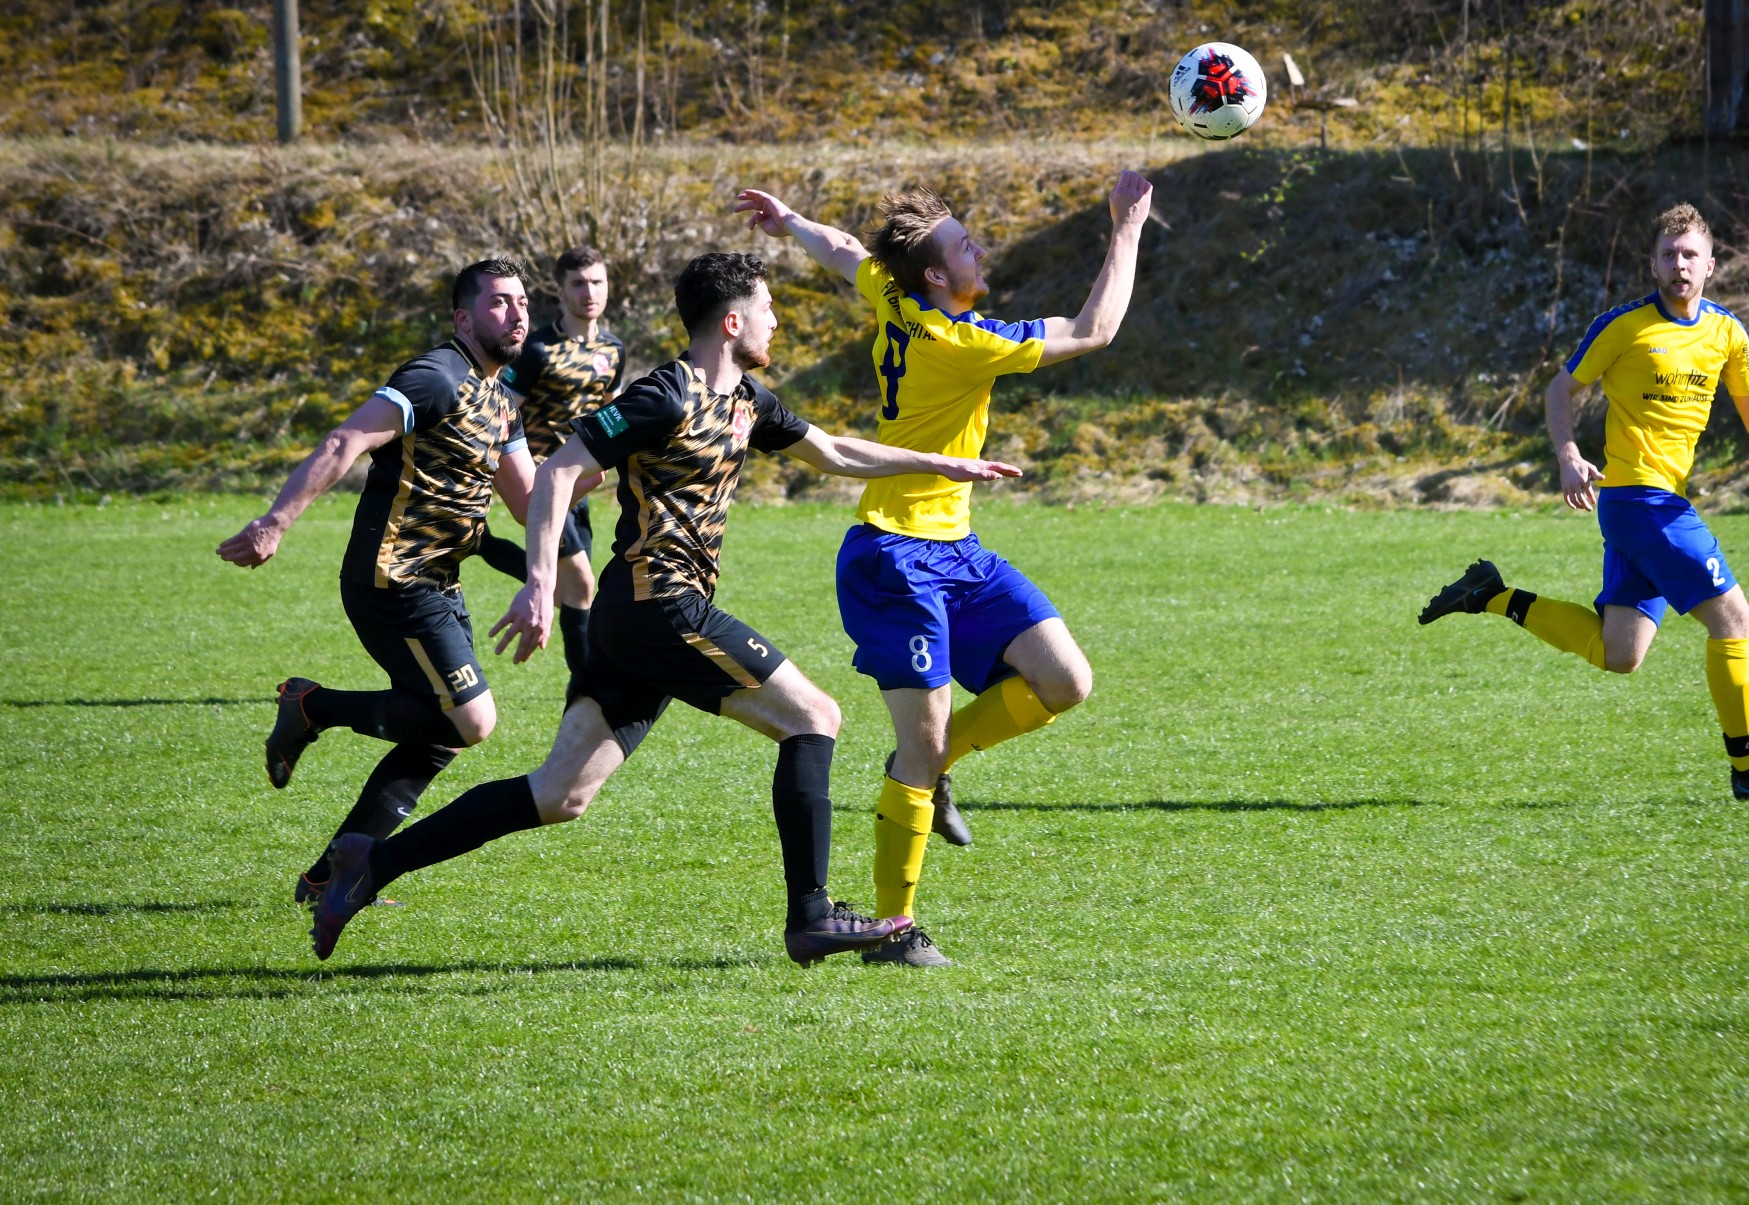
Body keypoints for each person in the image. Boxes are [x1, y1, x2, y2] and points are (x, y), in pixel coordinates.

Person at [309, 252, 1025, 968]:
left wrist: (944, 465)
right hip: (660, 603)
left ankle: (371, 864)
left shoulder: (748, 398)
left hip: (641, 617)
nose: (778, 320)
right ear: (733, 320)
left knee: (560, 794)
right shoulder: (663, 394)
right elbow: (560, 469)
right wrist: (537, 582)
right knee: (815, 717)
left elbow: (833, 450)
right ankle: (811, 916)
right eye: (769, 309)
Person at [732, 171, 1153, 965]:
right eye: (966, 243)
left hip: (958, 549)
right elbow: (1096, 328)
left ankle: (925, 763)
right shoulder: (963, 342)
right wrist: (1126, 225)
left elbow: (847, 250)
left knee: (1065, 680)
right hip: (893, 557)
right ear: (936, 274)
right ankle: (894, 932)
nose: (980, 247)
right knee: (921, 750)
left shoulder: (898, 297)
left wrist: (789, 220)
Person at [1418, 203, 1749, 802]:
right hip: (1642, 501)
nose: (1679, 265)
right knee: (1733, 618)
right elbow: (1563, 388)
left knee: (1620, 653)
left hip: (1656, 503)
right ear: (1653, 263)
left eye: (1690, 254)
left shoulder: (1727, 334)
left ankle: (1491, 594)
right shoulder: (1623, 326)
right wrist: (1567, 455)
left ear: (1710, 265)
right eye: (1668, 254)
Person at [218, 258, 535, 901]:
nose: (517, 312)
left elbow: (531, 501)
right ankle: (313, 706)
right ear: (463, 317)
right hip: (392, 579)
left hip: (440, 584)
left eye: (522, 301)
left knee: (439, 737)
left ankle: (330, 875)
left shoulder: (502, 402)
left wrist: (605, 466)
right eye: (500, 302)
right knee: (471, 720)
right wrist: (274, 522)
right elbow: (345, 442)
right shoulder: (433, 376)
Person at [476, 245, 626, 672]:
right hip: (543, 479)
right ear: (559, 292)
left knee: (568, 590)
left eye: (597, 281)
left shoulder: (613, 350)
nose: (588, 292)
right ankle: (586, 685)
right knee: (581, 583)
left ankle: (479, 544)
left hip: (584, 483)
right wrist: (493, 470)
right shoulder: (537, 350)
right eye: (577, 283)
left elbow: (612, 413)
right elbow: (498, 411)